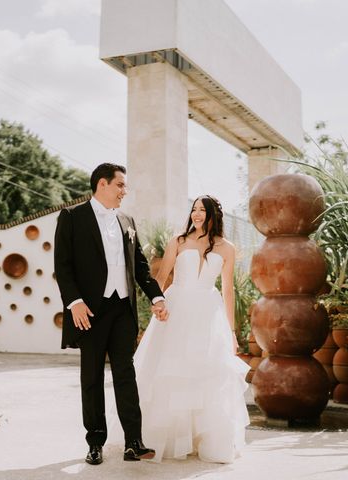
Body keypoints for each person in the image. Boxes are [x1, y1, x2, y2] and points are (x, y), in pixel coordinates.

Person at [54, 163, 168, 466]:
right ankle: (95, 443)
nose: (124, 191)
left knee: (125, 374)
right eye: (120, 185)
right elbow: (62, 265)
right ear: (102, 184)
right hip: (89, 310)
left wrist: (156, 295)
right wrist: (74, 302)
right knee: (91, 377)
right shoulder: (72, 217)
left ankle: (134, 441)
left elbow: (139, 265)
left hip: (122, 309)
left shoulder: (127, 220)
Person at [134, 195, 250, 463]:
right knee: (170, 371)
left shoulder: (227, 248)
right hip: (176, 309)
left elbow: (228, 290)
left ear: (213, 215)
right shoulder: (178, 241)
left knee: (206, 373)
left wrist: (231, 331)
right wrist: (157, 304)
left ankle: (203, 439)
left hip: (208, 313)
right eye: (194, 209)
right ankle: (168, 438)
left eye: (202, 210)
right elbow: (161, 277)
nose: (197, 214)